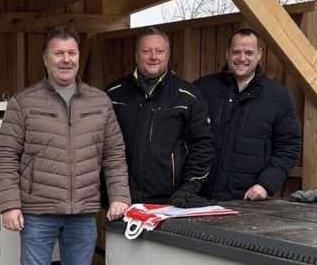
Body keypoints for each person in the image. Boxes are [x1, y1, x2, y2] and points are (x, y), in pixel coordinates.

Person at [0, 26, 130, 265]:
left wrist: (119, 197)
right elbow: (6, 157)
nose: (66, 59)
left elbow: (114, 156)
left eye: (71, 53)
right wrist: (10, 205)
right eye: (59, 53)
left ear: (78, 58)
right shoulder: (23, 103)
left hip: (83, 211)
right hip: (37, 210)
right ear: (46, 59)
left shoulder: (99, 103)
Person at [105, 27, 213, 206]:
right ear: (136, 55)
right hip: (121, 200)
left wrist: (188, 189)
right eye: (146, 51)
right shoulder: (114, 94)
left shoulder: (188, 96)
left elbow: (202, 147)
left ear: (168, 55)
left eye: (159, 51)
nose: (153, 56)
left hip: (168, 201)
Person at [195, 29, 302, 202]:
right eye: (236, 52)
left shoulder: (277, 96)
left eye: (249, 53)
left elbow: (288, 147)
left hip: (248, 201)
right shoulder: (203, 89)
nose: (242, 58)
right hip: (200, 198)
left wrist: (266, 184)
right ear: (227, 54)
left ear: (259, 54)